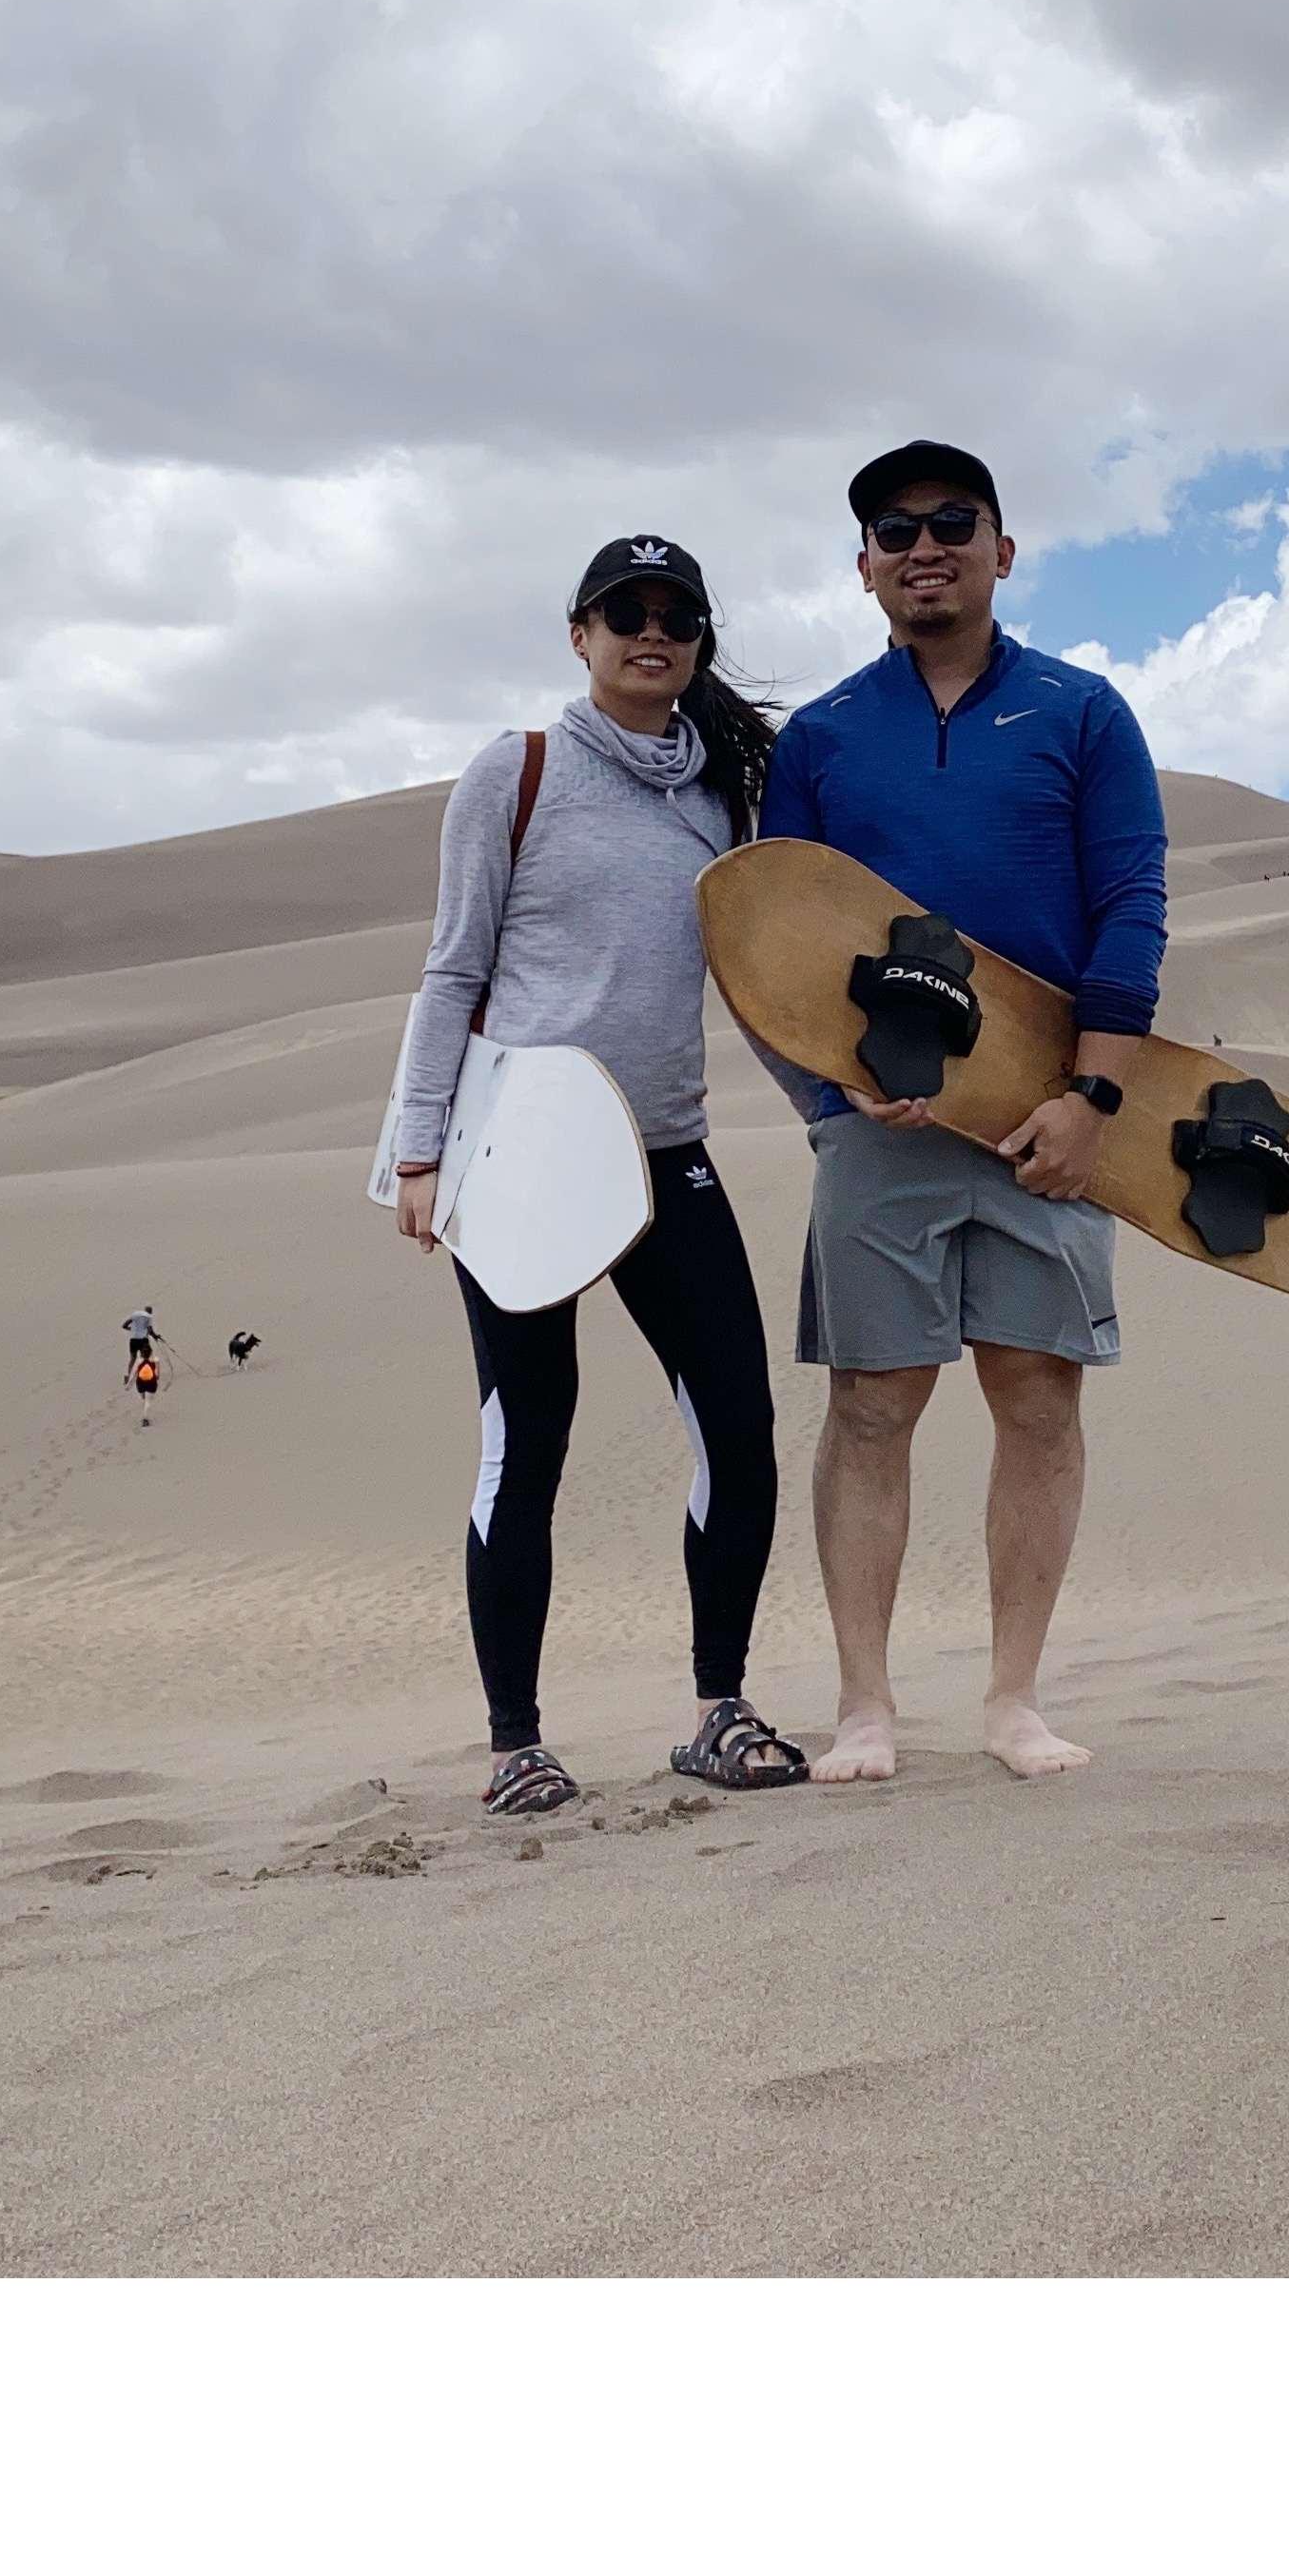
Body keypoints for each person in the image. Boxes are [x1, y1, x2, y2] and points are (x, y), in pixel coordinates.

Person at [755, 438, 1167, 1784]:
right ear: (864, 567)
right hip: (880, 1131)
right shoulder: (817, 738)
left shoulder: (1083, 713)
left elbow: (1130, 909)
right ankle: (866, 1708)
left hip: (1049, 1121)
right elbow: (779, 938)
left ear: (1002, 548)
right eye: (894, 530)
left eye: (951, 522)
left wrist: (1094, 1097)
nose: (922, 545)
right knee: (872, 1403)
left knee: (1039, 1396)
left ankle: (1013, 1702)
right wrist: (834, 1095)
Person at [393, 536, 808, 1818]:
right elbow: (454, 967)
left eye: (679, 615)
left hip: (667, 1153)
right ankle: (517, 1739)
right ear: (579, 634)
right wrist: (419, 1149)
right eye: (625, 612)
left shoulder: (721, 801)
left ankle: (717, 1710)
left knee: (738, 1432)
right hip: (523, 1156)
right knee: (528, 1443)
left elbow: (755, 981)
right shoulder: (515, 775)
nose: (654, 631)